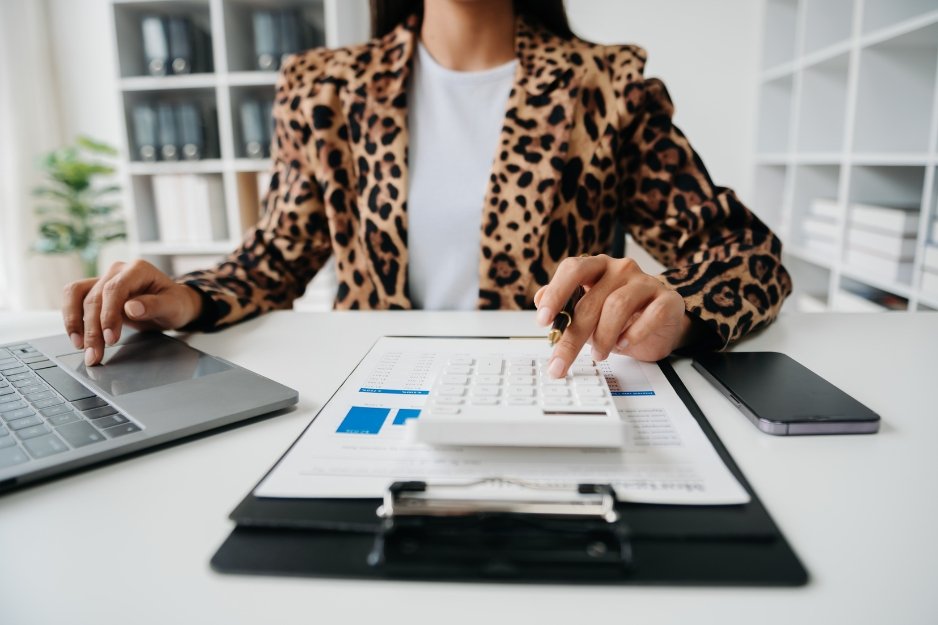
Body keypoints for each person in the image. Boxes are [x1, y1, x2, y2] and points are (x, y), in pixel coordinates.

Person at [62, 0, 791, 379]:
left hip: (553, 394)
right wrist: (184, 296)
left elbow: (749, 255)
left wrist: (679, 305)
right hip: (369, 397)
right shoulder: (325, 90)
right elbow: (274, 260)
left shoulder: (607, 89)